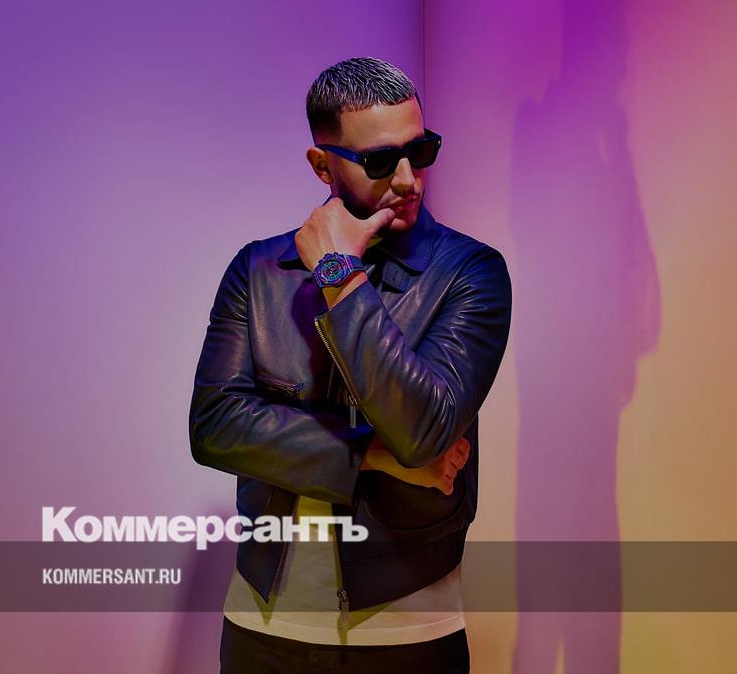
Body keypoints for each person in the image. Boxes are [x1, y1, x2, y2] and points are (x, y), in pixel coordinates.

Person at [189, 56, 512, 673]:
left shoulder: (471, 273)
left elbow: (422, 433)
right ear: (323, 165)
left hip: (408, 630)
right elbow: (215, 426)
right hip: (261, 624)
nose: (409, 180)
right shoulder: (258, 271)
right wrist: (370, 454)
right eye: (381, 161)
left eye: (421, 151)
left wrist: (340, 276)